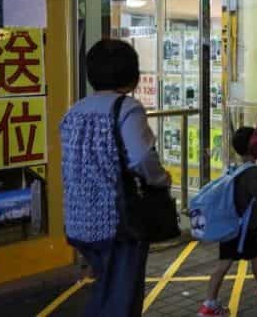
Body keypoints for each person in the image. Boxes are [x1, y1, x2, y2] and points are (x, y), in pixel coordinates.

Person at [60, 39, 171, 316]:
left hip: (80, 221)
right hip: (117, 222)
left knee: (104, 291)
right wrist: (162, 179)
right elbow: (142, 158)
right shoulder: (127, 108)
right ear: (132, 76)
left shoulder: (74, 111)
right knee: (122, 301)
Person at [199, 128, 257, 317]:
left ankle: (209, 304)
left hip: (231, 224)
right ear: (254, 146)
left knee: (223, 264)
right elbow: (256, 191)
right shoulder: (252, 170)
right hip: (247, 227)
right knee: (256, 257)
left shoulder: (235, 168)